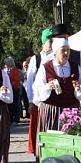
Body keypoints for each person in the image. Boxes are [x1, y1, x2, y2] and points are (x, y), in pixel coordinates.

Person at [32, 37, 81, 158]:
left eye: (68, 50)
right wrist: (48, 86)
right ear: (55, 52)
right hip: (51, 111)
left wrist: (79, 88)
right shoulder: (45, 68)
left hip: (71, 111)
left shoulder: (75, 67)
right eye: (63, 50)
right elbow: (37, 89)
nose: (66, 53)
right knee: (51, 144)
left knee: (71, 142)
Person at [25, 27, 53, 155]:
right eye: (50, 42)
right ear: (44, 43)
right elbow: (30, 82)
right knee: (38, 129)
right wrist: (31, 101)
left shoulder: (55, 57)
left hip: (52, 98)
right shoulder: (36, 59)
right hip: (38, 100)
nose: (52, 45)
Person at [4, 57, 22, 125]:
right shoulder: (4, 70)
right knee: (8, 105)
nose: (5, 64)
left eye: (6, 63)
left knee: (15, 104)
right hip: (7, 90)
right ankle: (10, 119)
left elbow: (17, 81)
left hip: (14, 89)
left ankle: (16, 119)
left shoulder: (15, 70)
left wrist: (9, 85)